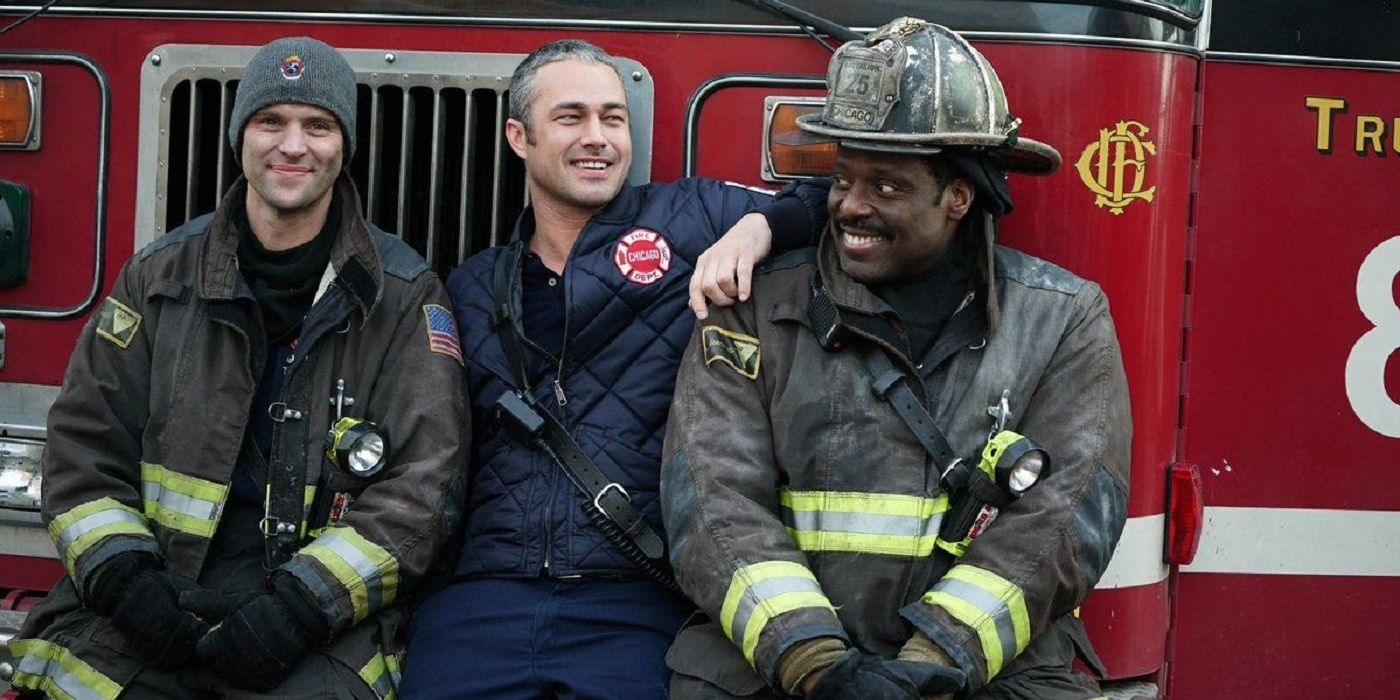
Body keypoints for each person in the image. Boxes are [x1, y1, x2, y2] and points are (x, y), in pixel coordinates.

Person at [660, 18, 1132, 699]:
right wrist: (818, 667)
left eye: (886, 187)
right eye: (844, 179)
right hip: (774, 670)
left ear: (957, 200)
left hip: (980, 678)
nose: (851, 206)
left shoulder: (1064, 321)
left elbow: (1062, 523)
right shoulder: (751, 306)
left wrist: (930, 663)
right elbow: (711, 501)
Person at [6, 36, 466, 699]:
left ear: (345, 146)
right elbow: (82, 452)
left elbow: (425, 489)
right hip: (155, 600)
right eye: (270, 121)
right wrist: (126, 582)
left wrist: (300, 609)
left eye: (318, 125)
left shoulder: (404, 298)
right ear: (239, 137)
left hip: (314, 628)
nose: (293, 145)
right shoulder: (157, 279)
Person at [400, 39, 830, 697]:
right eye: (571, 117)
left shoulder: (693, 218)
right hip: (481, 601)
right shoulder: (473, 285)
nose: (597, 137)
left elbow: (849, 198)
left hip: (634, 597)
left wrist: (759, 229)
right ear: (520, 136)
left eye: (613, 118)